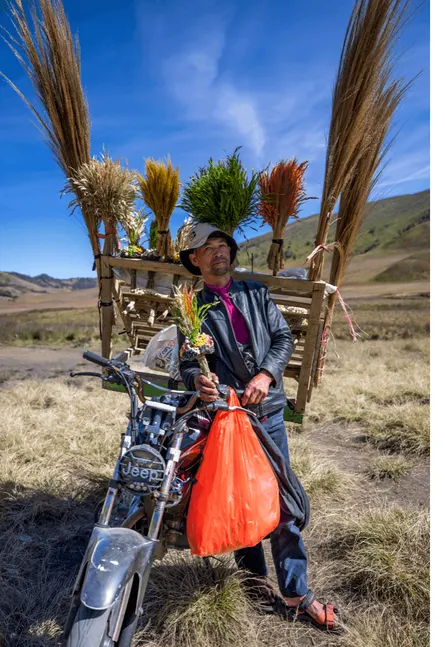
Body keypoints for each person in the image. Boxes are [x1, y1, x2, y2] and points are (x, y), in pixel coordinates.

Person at [176, 224, 341, 633]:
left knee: (281, 499)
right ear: (194, 260)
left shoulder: (255, 294)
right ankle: (253, 582)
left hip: (265, 410)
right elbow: (185, 365)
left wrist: (266, 374)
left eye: (222, 246)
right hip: (228, 415)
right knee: (243, 497)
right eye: (207, 248)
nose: (218, 253)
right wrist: (199, 380)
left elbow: (283, 338)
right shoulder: (190, 308)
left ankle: (296, 594)